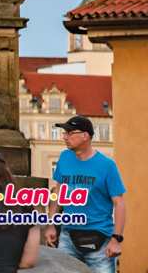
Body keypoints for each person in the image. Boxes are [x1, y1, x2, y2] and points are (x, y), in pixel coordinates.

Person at [46, 115, 125, 272]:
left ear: (85, 136)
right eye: (64, 132)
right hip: (68, 236)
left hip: (99, 239)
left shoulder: (107, 166)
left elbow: (119, 203)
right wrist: (50, 224)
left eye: (69, 132)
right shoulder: (64, 157)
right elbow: (59, 191)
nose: (64, 137)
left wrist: (116, 239)